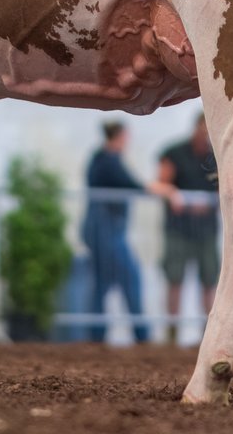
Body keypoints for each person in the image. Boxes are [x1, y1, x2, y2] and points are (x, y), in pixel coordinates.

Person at [81, 120, 180, 344]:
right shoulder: (107, 160)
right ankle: (140, 335)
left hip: (103, 229)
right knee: (129, 277)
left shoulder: (102, 158)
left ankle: (98, 335)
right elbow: (132, 185)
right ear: (121, 136)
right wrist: (164, 189)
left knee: (103, 283)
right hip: (106, 230)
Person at [157, 112, 220, 344]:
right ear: (196, 127)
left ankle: (210, 335)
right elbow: (160, 183)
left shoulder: (218, 158)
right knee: (175, 279)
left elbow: (224, 192)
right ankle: (172, 332)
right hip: (178, 230)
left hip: (207, 231)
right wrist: (174, 195)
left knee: (209, 281)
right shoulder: (174, 153)